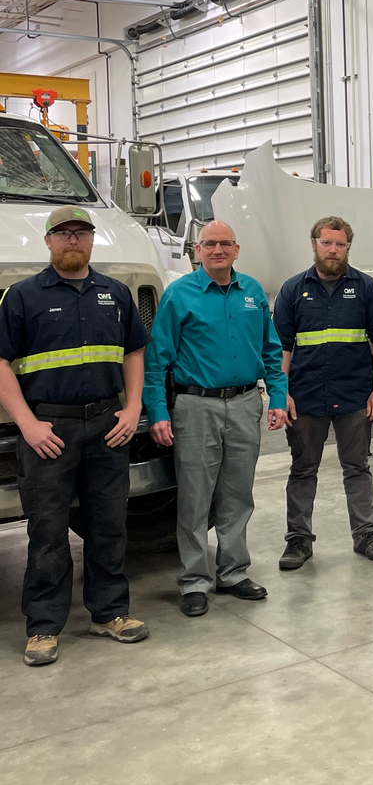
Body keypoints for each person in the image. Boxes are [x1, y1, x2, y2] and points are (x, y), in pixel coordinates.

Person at [0, 206, 150, 666]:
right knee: (46, 529)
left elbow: (133, 352)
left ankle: (110, 613)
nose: (72, 241)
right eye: (63, 234)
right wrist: (26, 423)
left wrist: (133, 407)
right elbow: (2, 363)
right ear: (48, 242)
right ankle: (43, 626)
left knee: (109, 524)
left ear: (91, 241)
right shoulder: (22, 297)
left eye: (81, 234)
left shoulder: (116, 294)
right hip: (49, 429)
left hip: (107, 425)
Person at [144, 220, 288, 618]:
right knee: (194, 497)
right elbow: (156, 362)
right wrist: (157, 411)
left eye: (225, 244)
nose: (218, 250)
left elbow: (271, 350)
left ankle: (233, 572)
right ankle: (193, 581)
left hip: (245, 403)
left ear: (237, 250)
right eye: (210, 244)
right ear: (197, 250)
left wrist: (278, 396)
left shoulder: (253, 292)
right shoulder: (179, 295)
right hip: (196, 407)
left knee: (238, 495)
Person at [273, 216, 373, 571]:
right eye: (326, 242)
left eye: (340, 244)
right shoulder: (293, 290)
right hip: (306, 396)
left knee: (357, 467)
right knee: (303, 469)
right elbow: (280, 347)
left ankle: (366, 533)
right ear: (313, 244)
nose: (333, 250)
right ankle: (298, 539)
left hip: (354, 395)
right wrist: (282, 393)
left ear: (347, 248)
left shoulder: (367, 288)